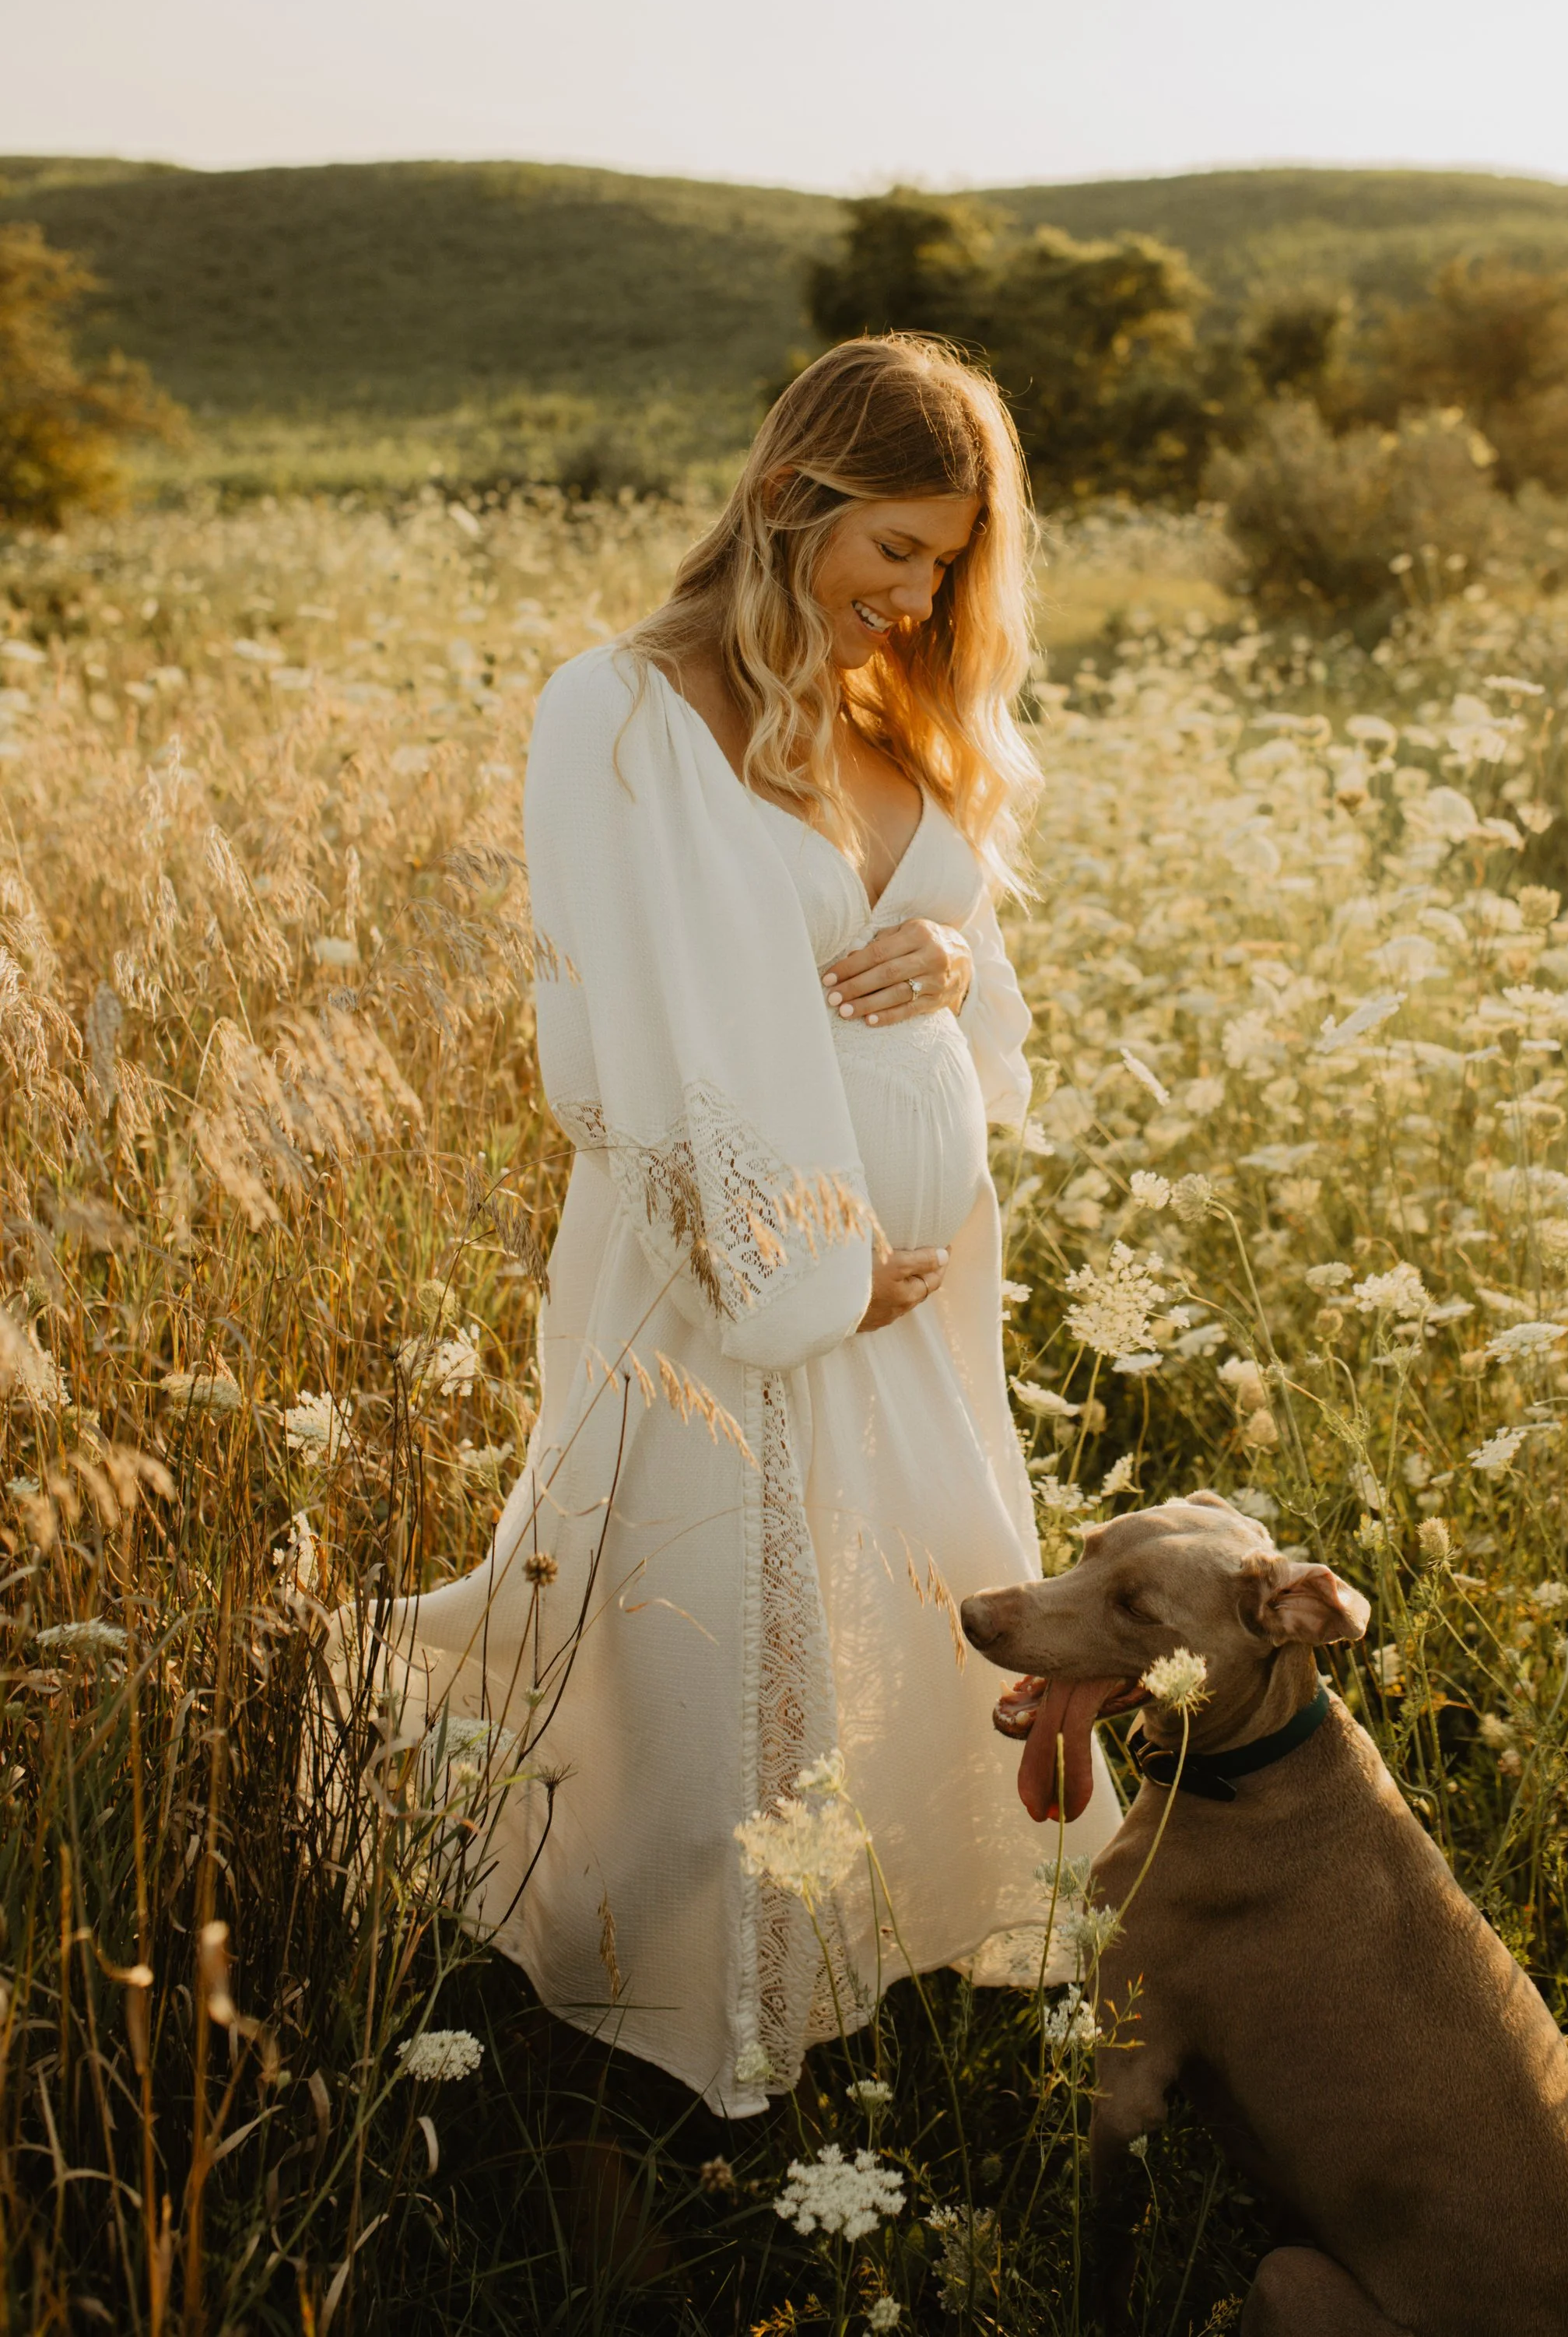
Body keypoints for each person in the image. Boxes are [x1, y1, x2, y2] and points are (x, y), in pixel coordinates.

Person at [374, 335, 1117, 2116]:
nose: (917, 594)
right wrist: (797, 1262)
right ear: (788, 501)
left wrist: (948, 952)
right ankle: (696, 2024)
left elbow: (955, 955)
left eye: (947, 563)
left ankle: (884, 1943)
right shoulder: (619, 711)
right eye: (894, 550)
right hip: (735, 1285)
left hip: (916, 1297)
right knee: (717, 1635)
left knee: (904, 1604)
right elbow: (629, 1032)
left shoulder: (883, 704)